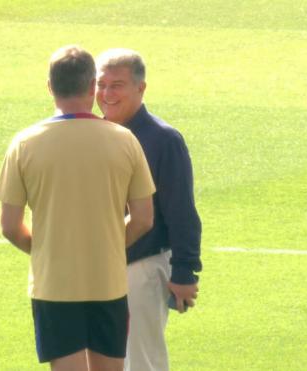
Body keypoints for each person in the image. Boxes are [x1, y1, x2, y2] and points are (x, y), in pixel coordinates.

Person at [0, 45, 156, 371]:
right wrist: (109, 247)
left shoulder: (25, 143)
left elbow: (10, 225)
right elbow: (142, 219)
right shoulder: (125, 141)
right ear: (91, 87)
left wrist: (44, 251)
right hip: (107, 281)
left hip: (54, 284)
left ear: (50, 87)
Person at [95, 48, 203, 371]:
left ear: (140, 88)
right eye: (101, 84)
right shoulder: (92, 135)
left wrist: (185, 272)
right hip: (95, 271)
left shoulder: (163, 140)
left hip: (141, 268)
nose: (106, 94)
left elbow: (181, 211)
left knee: (142, 363)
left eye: (117, 85)